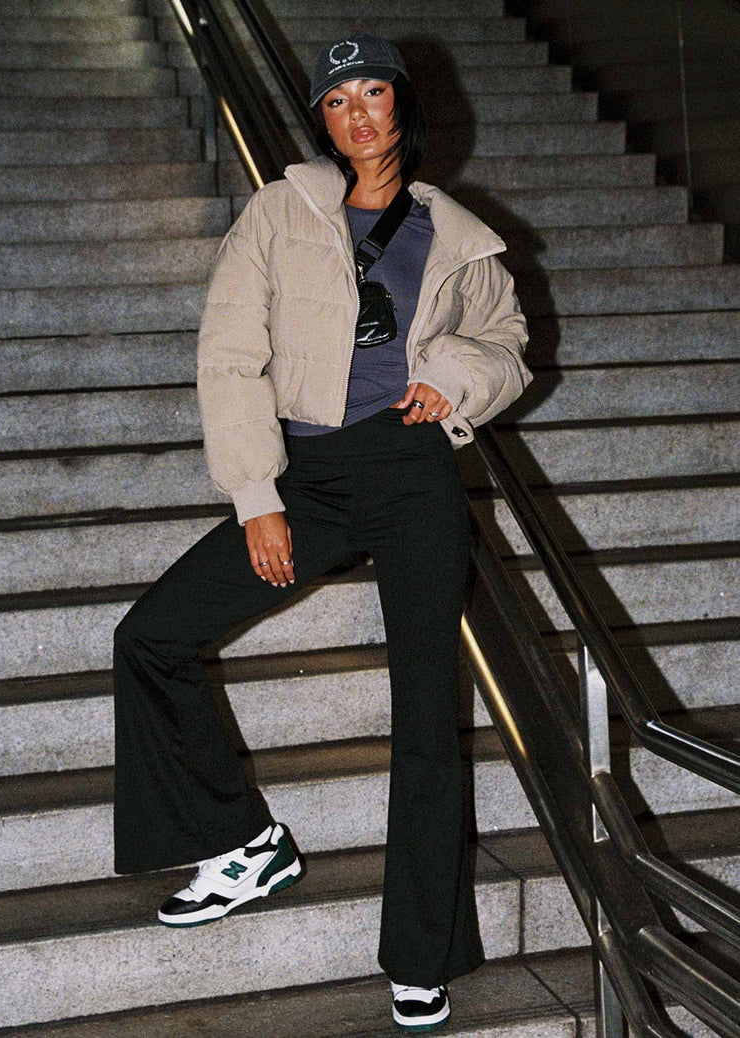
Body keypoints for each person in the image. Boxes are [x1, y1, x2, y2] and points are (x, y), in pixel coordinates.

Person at [113, 33, 531, 1033]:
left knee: (425, 714)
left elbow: (507, 345)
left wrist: (455, 379)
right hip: (305, 472)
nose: (357, 114)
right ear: (321, 121)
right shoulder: (280, 210)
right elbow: (228, 354)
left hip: (411, 471)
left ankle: (420, 955)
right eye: (336, 100)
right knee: (150, 636)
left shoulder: (458, 233)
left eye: (372, 92)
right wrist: (256, 495)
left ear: (401, 106)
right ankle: (242, 844)